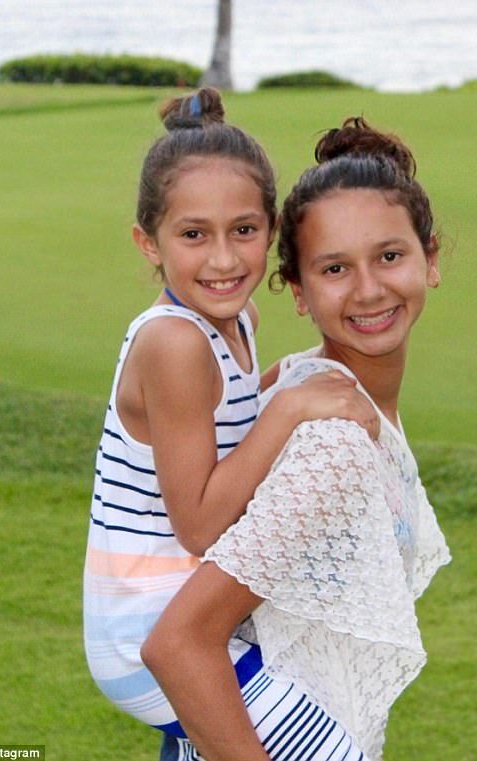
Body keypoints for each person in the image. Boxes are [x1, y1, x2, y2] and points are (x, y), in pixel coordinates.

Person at [143, 116, 452, 761]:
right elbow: (178, 644)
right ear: (299, 292)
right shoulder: (331, 445)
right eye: (334, 268)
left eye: (389, 256)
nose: (369, 289)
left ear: (430, 258)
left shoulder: (314, 384)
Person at [83, 89, 380, 746]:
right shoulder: (174, 342)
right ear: (148, 242)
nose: (223, 259)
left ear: (271, 229)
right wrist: (293, 407)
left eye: (243, 230)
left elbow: (228, 416)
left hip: (194, 612)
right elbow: (197, 524)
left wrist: (287, 379)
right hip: (149, 631)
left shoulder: (237, 318)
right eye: (194, 235)